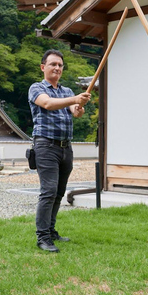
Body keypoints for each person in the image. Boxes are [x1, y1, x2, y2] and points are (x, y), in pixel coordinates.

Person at [28, 49, 91, 253]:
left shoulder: (66, 91)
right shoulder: (37, 88)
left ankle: (51, 230)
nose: (57, 68)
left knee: (59, 192)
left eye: (60, 65)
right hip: (46, 146)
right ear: (43, 67)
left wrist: (79, 107)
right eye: (53, 64)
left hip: (66, 147)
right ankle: (42, 237)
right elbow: (47, 104)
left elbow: (75, 113)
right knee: (48, 191)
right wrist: (74, 100)